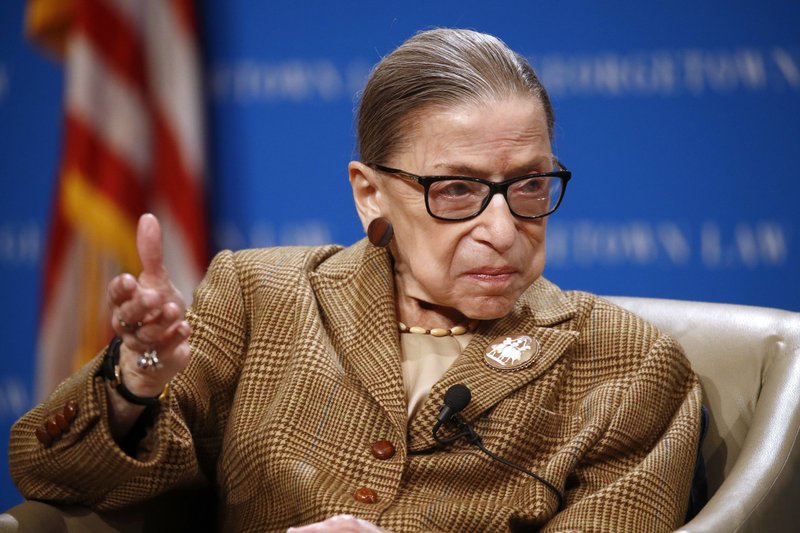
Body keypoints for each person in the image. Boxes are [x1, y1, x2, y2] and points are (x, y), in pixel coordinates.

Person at [9, 28, 702, 532]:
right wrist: (136, 383)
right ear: (370, 193)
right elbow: (54, 475)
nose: (502, 226)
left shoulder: (626, 364)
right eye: (456, 189)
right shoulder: (259, 296)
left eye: (528, 185)